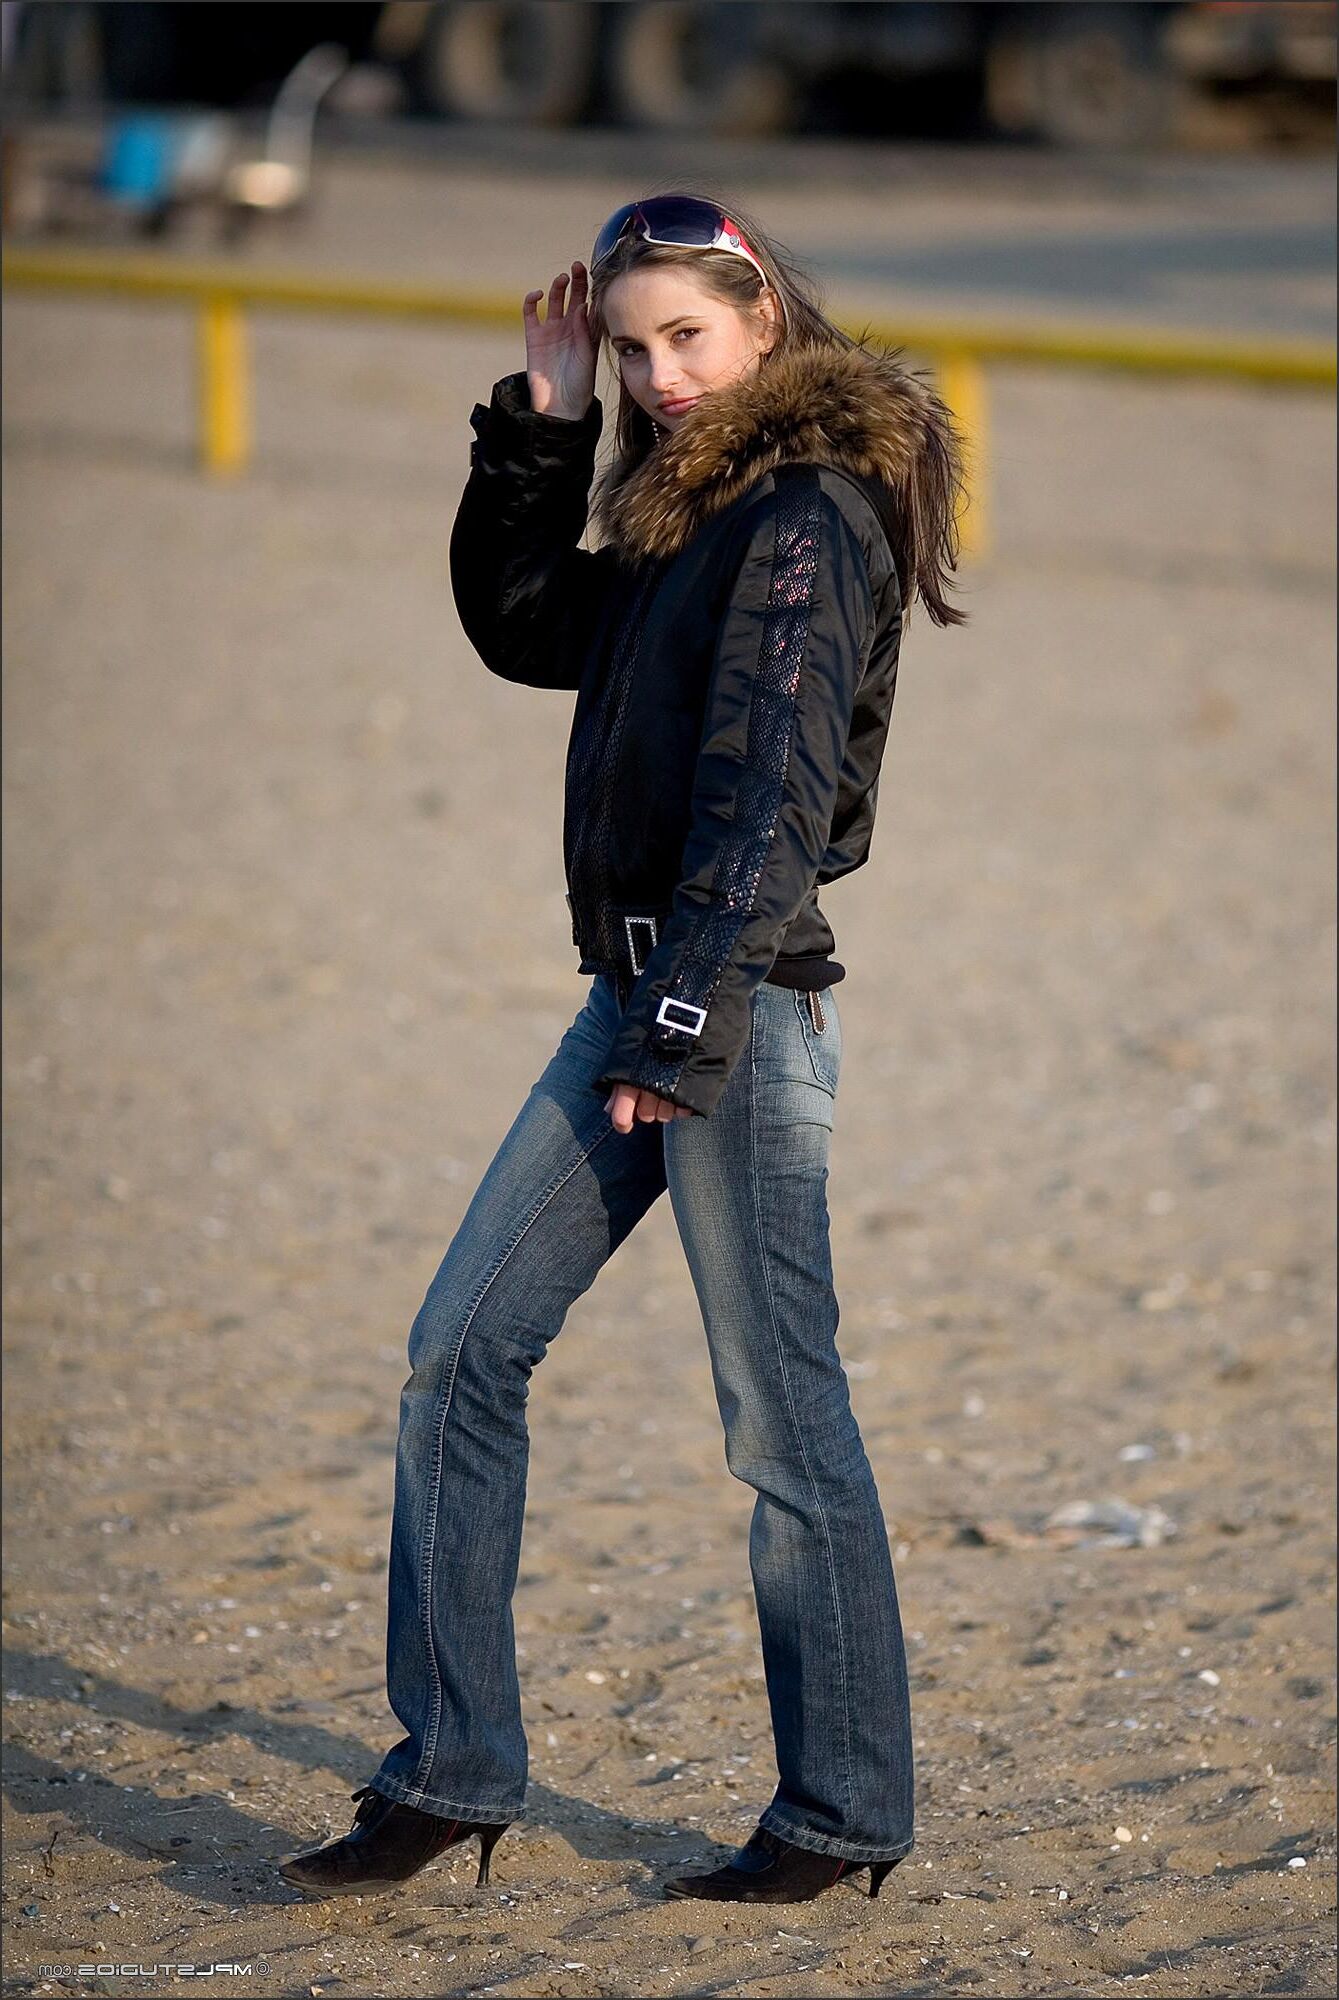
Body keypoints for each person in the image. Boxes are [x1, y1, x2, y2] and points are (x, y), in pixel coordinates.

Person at [279, 189, 966, 1908]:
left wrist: (681, 1021)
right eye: (631, 344)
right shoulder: (691, 501)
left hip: (729, 1006)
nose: (663, 376)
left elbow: (773, 804)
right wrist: (541, 428)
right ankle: (449, 1772)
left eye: (689, 340)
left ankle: (843, 1813)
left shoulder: (806, 512)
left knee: (780, 1420)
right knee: (460, 1355)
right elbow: (528, 626)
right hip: (638, 993)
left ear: (766, 326)